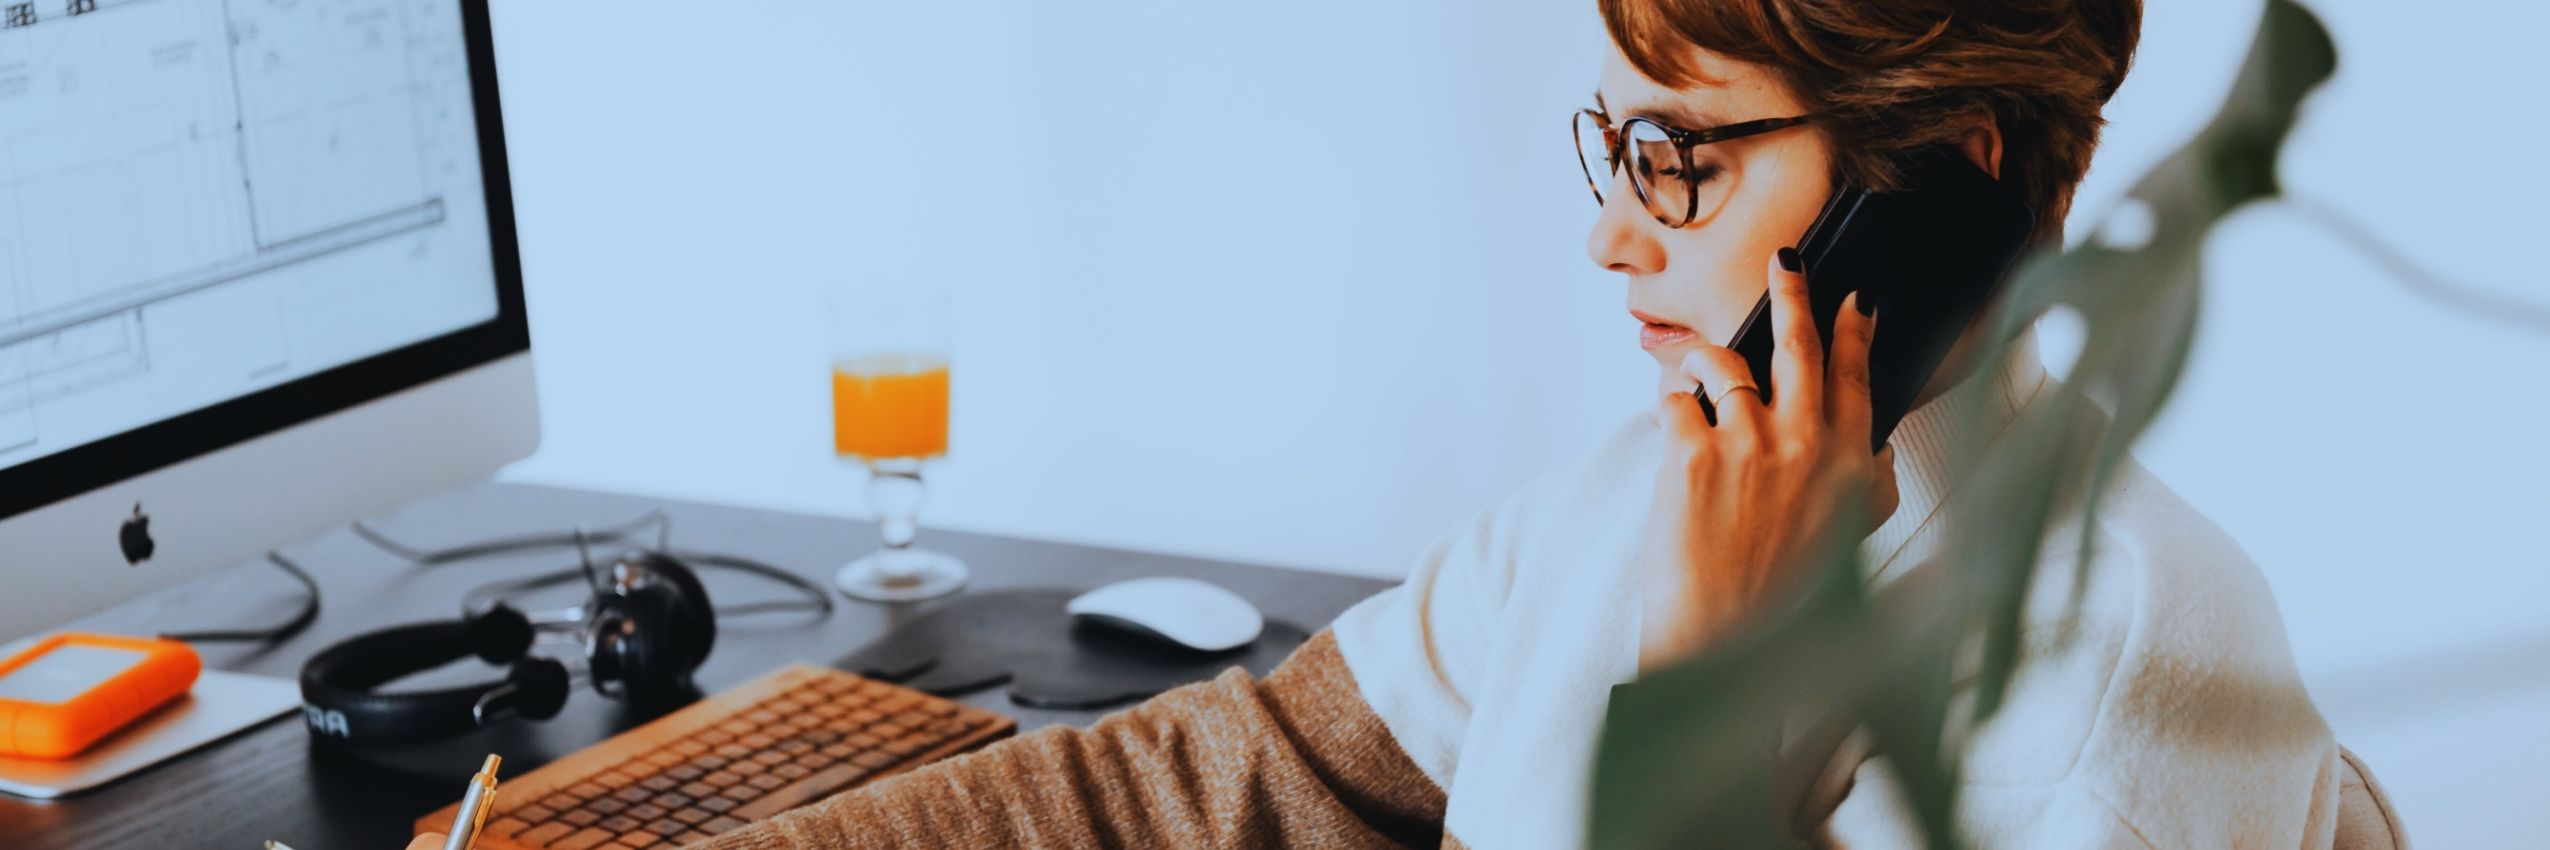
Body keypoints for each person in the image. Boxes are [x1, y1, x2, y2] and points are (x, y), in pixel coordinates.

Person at [411, 0, 2341, 846]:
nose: (1608, 235)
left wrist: (1704, 702)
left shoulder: (2122, 692)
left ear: (1944, 174)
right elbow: (1232, 779)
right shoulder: (1651, 486)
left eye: (1679, 158)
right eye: (1615, 147)